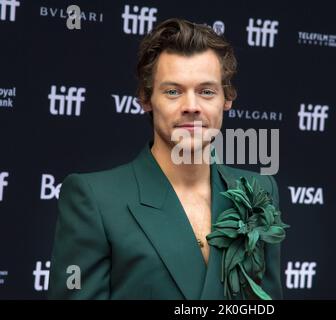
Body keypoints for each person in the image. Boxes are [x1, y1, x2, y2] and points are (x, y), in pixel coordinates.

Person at [48, 18, 285, 300]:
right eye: (173, 91)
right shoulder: (94, 199)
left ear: (227, 99)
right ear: (146, 99)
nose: (191, 107)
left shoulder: (260, 191)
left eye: (206, 91)